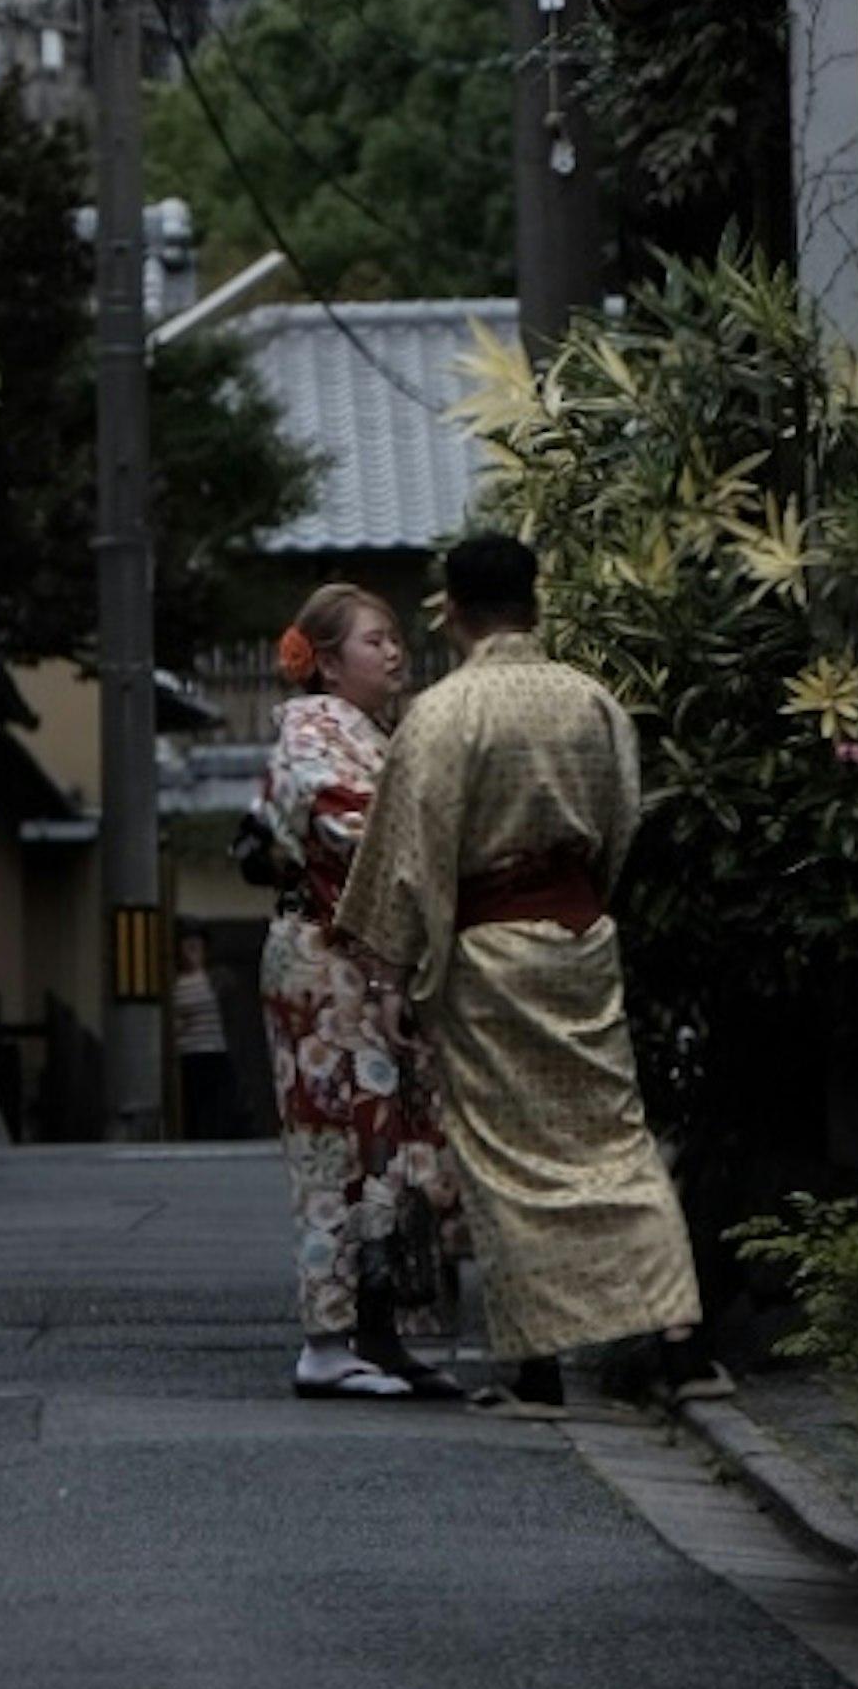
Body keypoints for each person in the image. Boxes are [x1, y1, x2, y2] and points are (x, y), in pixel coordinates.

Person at [335, 531, 704, 1409]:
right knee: (615, 1137)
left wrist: (391, 975)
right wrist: (579, 901)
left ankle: (539, 1367)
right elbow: (620, 823)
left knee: (506, 1158)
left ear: (452, 611)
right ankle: (686, 1344)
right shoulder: (592, 703)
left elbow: (411, 851)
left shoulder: (444, 714)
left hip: (491, 950)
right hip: (579, 934)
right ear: (535, 602)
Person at [257, 581, 468, 1400]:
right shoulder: (312, 729)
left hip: (363, 956)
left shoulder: (364, 732)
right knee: (335, 1144)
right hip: (326, 959)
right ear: (327, 660)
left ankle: (379, 1333)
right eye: (373, 639)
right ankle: (328, 1339)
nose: (394, 651)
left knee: (385, 1143)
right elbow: (350, 831)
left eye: (392, 638)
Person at [169, 929, 242, 1142]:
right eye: (187, 945)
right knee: (192, 1102)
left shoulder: (215, 976)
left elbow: (230, 991)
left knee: (220, 1099)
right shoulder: (174, 981)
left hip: (215, 1048)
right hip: (188, 1052)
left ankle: (220, 1135)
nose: (192, 950)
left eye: (196, 945)